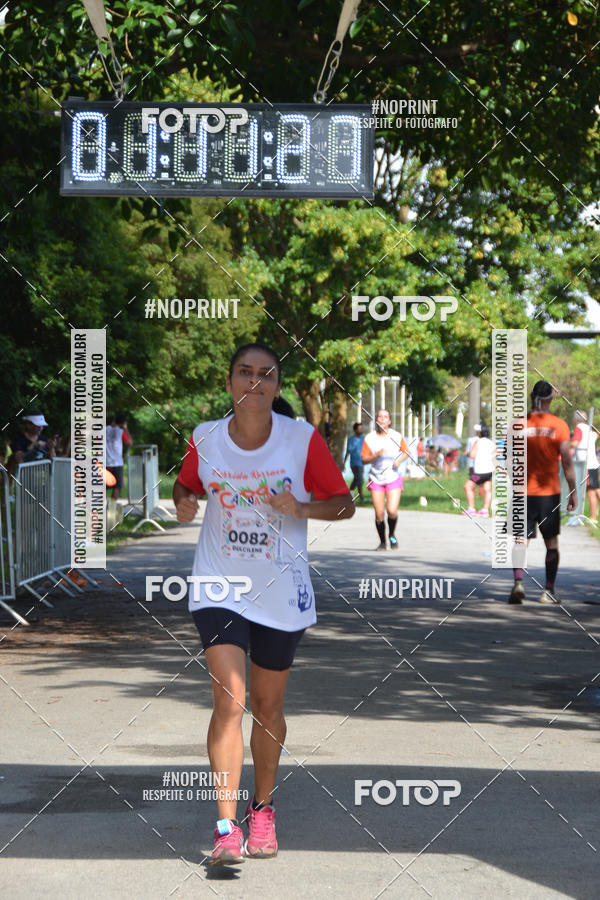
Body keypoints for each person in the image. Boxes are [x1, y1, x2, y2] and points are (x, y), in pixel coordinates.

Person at [173, 342, 354, 866]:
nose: (255, 382)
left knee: (268, 706)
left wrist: (300, 506)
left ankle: (264, 808)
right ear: (229, 382)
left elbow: (344, 504)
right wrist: (184, 503)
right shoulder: (205, 438)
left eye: (266, 374)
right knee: (230, 699)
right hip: (218, 584)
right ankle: (226, 825)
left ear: (277, 385)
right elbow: (187, 496)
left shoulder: (301, 440)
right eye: (244, 372)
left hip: (280, 589)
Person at [509, 381, 577, 605]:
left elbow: (509, 459)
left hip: (522, 492)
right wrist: (573, 492)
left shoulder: (518, 425)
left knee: (521, 540)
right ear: (549, 399)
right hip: (549, 493)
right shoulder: (559, 425)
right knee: (551, 542)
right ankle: (548, 591)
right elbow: (567, 462)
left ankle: (518, 583)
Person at [361, 409, 410, 550]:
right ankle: (382, 542)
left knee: (392, 510)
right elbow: (364, 460)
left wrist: (399, 461)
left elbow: (406, 452)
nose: (382, 419)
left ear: (389, 421)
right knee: (379, 513)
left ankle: (392, 535)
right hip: (376, 479)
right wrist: (375, 456)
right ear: (376, 420)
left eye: (385, 417)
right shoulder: (369, 438)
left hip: (393, 477)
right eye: (380, 417)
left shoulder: (396, 435)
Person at [571, 410, 599, 524]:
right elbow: (597, 434)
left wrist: (563, 445)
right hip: (593, 465)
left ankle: (593, 518)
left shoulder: (579, 428)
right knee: (595, 490)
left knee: (591, 492)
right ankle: (593, 517)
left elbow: (575, 443)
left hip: (586, 465)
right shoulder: (589, 429)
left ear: (575, 419)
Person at [463, 425, 495, 516]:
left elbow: (472, 455)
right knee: (487, 489)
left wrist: (467, 453)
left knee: (468, 487)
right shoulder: (491, 442)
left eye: (478, 432)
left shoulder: (478, 442)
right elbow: (497, 452)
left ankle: (471, 508)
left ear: (480, 433)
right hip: (489, 471)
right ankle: (485, 510)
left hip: (479, 472)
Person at [106, 413, 132, 500]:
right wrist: (126, 429)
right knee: (116, 488)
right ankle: (112, 510)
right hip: (117, 463)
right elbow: (130, 443)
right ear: (123, 423)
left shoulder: (104, 430)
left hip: (105, 463)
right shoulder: (121, 432)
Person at [344, 422, 365, 501]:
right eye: (359, 429)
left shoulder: (363, 438)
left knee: (358, 479)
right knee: (358, 479)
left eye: (362, 428)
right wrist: (344, 462)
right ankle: (358, 496)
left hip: (362, 462)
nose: (361, 430)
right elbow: (348, 451)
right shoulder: (351, 439)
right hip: (354, 463)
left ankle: (353, 496)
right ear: (355, 430)